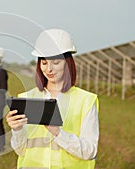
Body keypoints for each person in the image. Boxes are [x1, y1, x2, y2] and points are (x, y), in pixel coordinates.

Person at [6, 29, 99, 169]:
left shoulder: (85, 100)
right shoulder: (26, 98)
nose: (49, 69)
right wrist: (17, 129)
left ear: (68, 63)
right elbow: (21, 151)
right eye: (44, 63)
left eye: (55, 62)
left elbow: (89, 151)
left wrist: (58, 133)